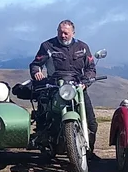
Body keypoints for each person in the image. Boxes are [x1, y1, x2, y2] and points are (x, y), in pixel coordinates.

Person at [29, 20, 101, 161]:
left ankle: (89, 151)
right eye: (60, 32)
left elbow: (91, 68)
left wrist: (86, 81)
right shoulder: (47, 46)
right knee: (44, 116)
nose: (62, 35)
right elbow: (36, 64)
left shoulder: (82, 47)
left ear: (73, 33)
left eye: (66, 33)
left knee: (91, 122)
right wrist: (37, 72)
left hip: (78, 87)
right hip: (55, 86)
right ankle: (45, 146)